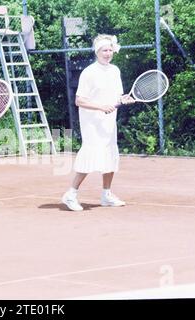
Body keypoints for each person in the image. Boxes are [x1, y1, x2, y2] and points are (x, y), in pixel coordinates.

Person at [62, 34, 134, 211]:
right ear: (97, 51)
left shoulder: (115, 70)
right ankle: (70, 195)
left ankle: (106, 194)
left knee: (110, 154)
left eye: (110, 50)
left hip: (109, 122)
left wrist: (124, 99)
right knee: (91, 156)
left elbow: (117, 95)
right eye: (104, 50)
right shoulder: (89, 72)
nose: (107, 53)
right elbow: (79, 100)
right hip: (92, 122)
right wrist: (101, 107)